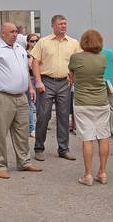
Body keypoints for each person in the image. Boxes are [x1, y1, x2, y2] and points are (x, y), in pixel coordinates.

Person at [0, 22, 42, 179]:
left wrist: (30, 88)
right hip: (1, 96)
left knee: (22, 131)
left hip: (21, 96)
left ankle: (24, 162)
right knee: (0, 132)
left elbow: (25, 70)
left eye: (16, 32)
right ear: (2, 34)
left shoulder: (19, 48)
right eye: (11, 32)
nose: (15, 34)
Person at [32, 14, 81, 161]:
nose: (63, 26)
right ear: (53, 25)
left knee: (64, 117)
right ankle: (39, 148)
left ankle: (63, 149)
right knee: (43, 116)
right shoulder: (43, 42)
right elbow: (35, 62)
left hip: (64, 83)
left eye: (65, 23)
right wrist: (38, 81)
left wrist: (73, 77)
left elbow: (77, 62)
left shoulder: (73, 43)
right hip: (46, 82)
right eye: (60, 24)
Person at [68, 30, 111, 186]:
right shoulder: (103, 58)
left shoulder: (76, 58)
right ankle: (103, 172)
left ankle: (88, 175)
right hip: (101, 101)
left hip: (82, 102)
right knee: (103, 136)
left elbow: (71, 75)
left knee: (87, 138)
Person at [26, 33, 40, 138]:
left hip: (40, 80)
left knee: (40, 105)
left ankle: (39, 127)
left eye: (36, 41)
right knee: (30, 105)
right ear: (28, 42)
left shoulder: (41, 52)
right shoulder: (26, 53)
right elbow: (29, 66)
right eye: (32, 41)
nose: (34, 43)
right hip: (30, 80)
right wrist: (32, 56)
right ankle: (31, 128)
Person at [101, 47, 113, 135]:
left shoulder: (97, 55)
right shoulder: (112, 54)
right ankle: (112, 128)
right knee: (111, 106)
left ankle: (103, 129)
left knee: (101, 107)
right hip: (112, 83)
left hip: (101, 83)